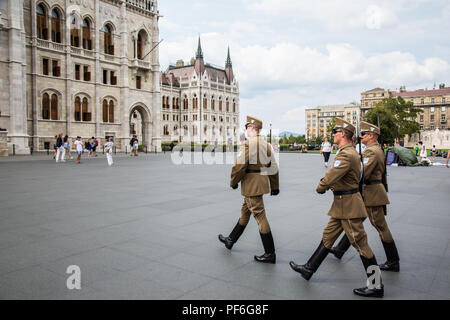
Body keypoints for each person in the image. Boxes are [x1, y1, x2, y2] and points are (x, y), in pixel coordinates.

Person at [289, 118, 384, 298]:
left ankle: (376, 285)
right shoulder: (349, 152)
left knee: (360, 244)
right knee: (328, 236)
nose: (332, 135)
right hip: (342, 203)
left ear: (342, 134)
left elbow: (331, 176)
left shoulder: (346, 154)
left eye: (335, 132)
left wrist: (321, 186)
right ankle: (309, 268)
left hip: (348, 205)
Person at [330, 121, 400, 273]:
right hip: (371, 192)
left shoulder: (371, 152)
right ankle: (340, 250)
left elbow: (362, 173)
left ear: (372, 135)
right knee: (354, 222)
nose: (360, 137)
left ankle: (391, 263)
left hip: (371, 193)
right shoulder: (374, 149)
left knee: (378, 227)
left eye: (363, 134)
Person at [218, 116, 280, 263]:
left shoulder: (248, 145)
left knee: (260, 217)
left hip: (251, 186)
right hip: (260, 183)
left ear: (252, 128)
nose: (245, 130)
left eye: (246, 128)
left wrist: (233, 182)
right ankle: (230, 240)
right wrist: (275, 186)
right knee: (245, 213)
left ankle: (270, 253)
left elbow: (239, 166)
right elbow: (274, 167)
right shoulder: (266, 145)